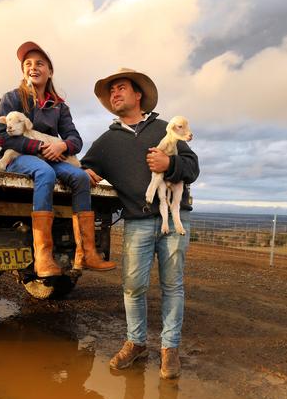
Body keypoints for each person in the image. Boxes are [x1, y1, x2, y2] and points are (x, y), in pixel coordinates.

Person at [81, 68, 199, 379]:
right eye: (111, 92)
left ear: (138, 95)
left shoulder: (166, 129)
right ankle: (136, 343)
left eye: (121, 88)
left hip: (174, 220)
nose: (114, 94)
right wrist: (87, 173)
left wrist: (169, 164)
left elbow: (193, 166)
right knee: (133, 287)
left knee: (173, 285)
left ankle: (169, 349)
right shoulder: (107, 141)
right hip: (137, 221)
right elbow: (85, 167)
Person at [0, 41, 116, 277]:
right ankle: (43, 257)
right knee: (45, 172)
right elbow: (3, 137)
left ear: (50, 71)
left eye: (40, 63)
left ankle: (86, 254)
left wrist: (62, 144)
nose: (33, 67)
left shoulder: (59, 107)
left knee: (81, 177)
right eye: (27, 64)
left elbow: (75, 139)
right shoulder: (11, 98)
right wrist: (39, 147)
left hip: (53, 157)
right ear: (23, 71)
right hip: (19, 156)